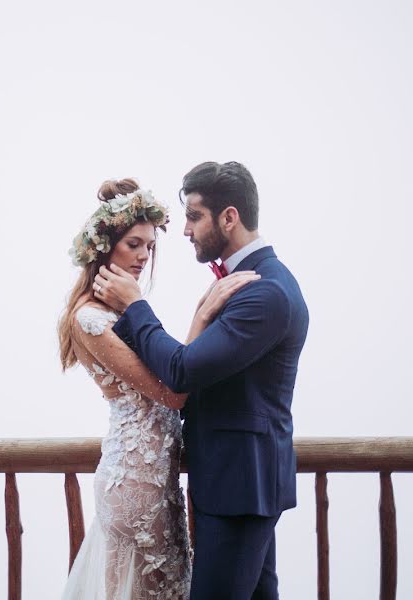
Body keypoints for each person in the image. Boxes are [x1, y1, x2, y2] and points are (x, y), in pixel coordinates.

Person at [94, 162, 309, 600]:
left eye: (194, 216)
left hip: (241, 488)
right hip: (234, 483)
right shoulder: (248, 284)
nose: (186, 230)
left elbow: (182, 372)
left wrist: (136, 306)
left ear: (229, 217)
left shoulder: (264, 292)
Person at [59, 177, 259, 600]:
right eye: (133, 244)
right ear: (104, 247)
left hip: (158, 481)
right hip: (134, 484)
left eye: (149, 246)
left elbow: (174, 373)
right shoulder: (90, 318)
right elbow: (173, 392)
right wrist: (202, 315)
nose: (142, 256)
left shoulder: (122, 309)